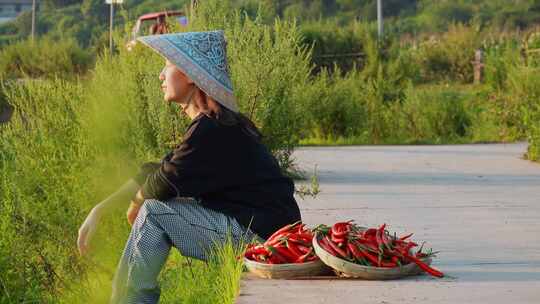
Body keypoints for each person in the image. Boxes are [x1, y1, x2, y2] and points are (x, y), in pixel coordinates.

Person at [76, 30, 301, 303]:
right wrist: (100, 209)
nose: (160, 75)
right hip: (265, 235)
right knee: (151, 206)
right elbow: (157, 171)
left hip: (264, 242)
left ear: (191, 75)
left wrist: (137, 202)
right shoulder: (212, 125)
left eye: (168, 66)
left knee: (153, 212)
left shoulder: (211, 129)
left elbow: (160, 184)